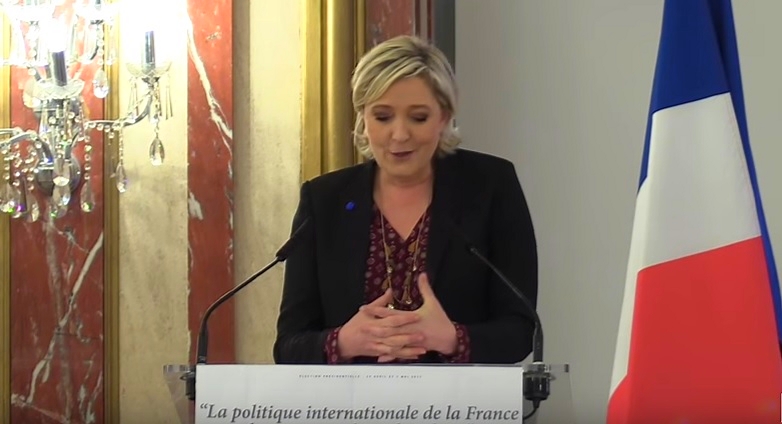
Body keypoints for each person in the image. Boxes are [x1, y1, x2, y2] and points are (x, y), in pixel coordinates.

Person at [273, 35, 538, 365]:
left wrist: (452, 338)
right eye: (383, 117)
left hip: (460, 397)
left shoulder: (490, 186)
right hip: (352, 397)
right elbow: (288, 345)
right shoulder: (324, 200)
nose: (399, 135)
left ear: (444, 117)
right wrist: (342, 342)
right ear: (363, 118)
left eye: (419, 117)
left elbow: (521, 330)